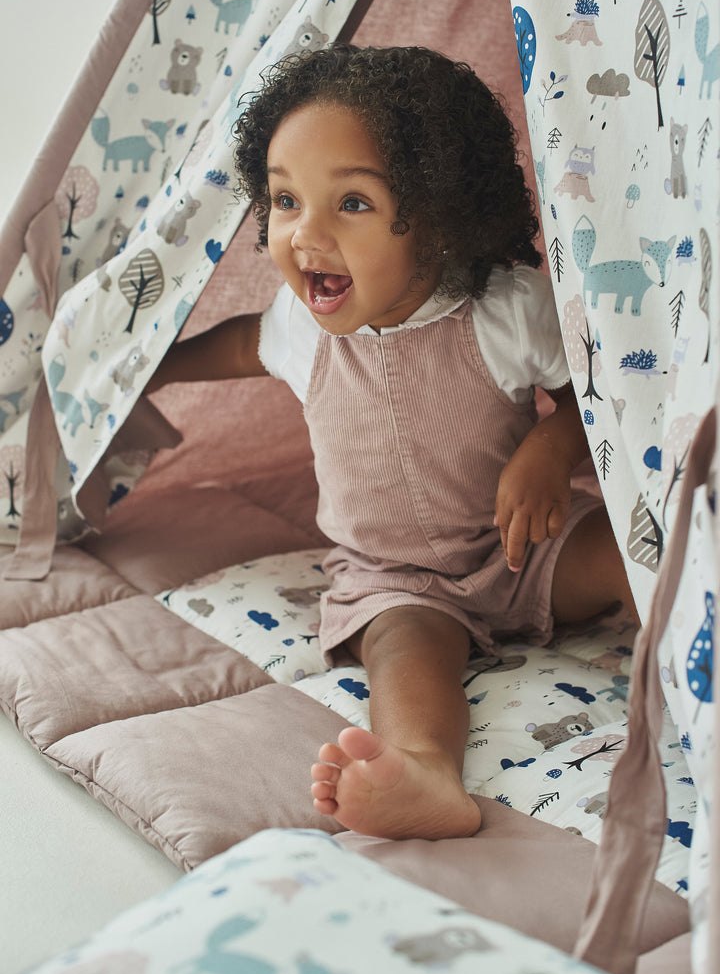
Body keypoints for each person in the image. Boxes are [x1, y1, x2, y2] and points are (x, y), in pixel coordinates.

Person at [147, 44, 637, 842]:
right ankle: (425, 772)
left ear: (437, 215)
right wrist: (152, 369)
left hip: (522, 549)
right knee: (404, 656)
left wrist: (555, 445)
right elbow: (241, 346)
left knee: (634, 550)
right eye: (285, 199)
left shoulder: (504, 309)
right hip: (395, 577)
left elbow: (605, 394)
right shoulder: (298, 327)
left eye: (353, 204)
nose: (305, 235)